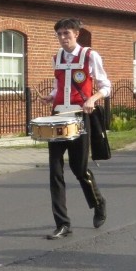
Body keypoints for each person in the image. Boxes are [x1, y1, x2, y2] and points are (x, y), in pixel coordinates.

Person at [40, 18, 111, 240]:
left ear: (76, 34)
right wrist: (50, 96)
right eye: (59, 34)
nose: (62, 38)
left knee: (79, 170)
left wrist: (93, 99)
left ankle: (98, 202)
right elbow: (58, 86)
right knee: (55, 170)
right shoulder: (57, 57)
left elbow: (106, 86)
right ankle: (62, 223)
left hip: (81, 117)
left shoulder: (90, 56)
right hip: (58, 116)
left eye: (66, 34)